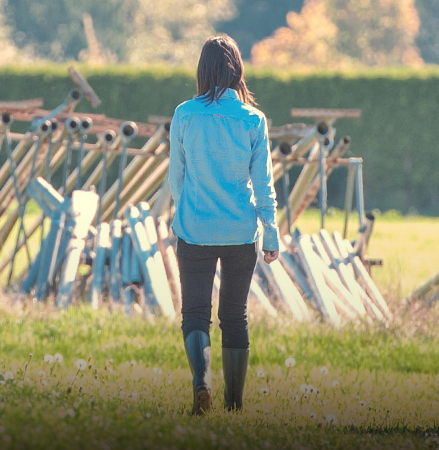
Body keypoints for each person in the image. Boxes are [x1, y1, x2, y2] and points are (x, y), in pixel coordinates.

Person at [167, 35, 283, 416]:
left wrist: (185, 212)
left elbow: (176, 178)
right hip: (239, 231)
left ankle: (202, 384)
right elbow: (264, 182)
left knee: (195, 312)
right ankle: (235, 404)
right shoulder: (253, 118)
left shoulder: (184, 114)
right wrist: (271, 230)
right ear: (238, 70)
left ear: (203, 70)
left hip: (194, 228)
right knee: (234, 315)